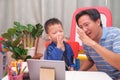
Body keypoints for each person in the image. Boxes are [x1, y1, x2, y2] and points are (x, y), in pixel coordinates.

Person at [76, 8, 120, 80]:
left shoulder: (116, 34)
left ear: (98, 22)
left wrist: (93, 44)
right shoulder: (86, 41)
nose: (84, 30)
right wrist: (77, 74)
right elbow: (91, 60)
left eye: (86, 25)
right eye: (81, 27)